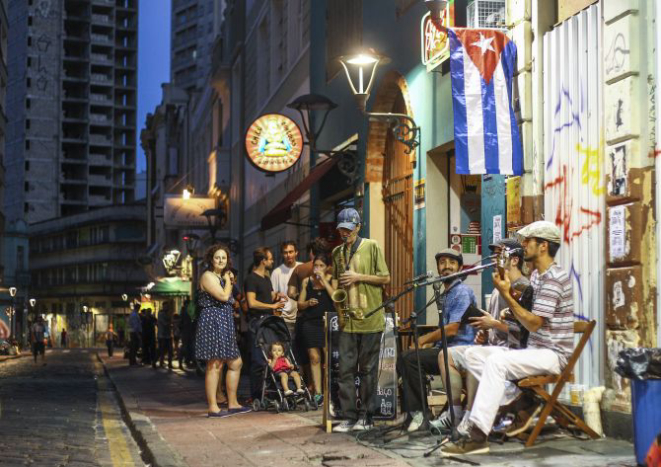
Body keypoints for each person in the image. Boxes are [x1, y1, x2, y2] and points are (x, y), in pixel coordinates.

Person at [443, 221, 574, 455]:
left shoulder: (554, 278)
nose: (523, 246)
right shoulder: (536, 278)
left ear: (543, 246)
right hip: (533, 350)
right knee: (474, 355)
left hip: (553, 354)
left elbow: (534, 324)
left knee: (496, 362)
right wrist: (507, 313)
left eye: (528, 241)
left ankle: (477, 435)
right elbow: (525, 320)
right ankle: (512, 405)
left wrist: (505, 294)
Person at [430, 239, 530, 433]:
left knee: (475, 360)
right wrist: (486, 331)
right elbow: (498, 325)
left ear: (515, 260)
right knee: (446, 354)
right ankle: (454, 413)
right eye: (494, 254)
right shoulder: (497, 289)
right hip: (492, 347)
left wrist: (493, 324)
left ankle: (473, 420)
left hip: (513, 352)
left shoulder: (523, 287)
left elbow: (526, 330)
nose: (494, 259)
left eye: (500, 254)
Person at [397, 248, 477, 432]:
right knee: (406, 357)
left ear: (460, 267)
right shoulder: (447, 293)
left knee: (410, 359)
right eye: (442, 263)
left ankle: (419, 414)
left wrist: (424, 339)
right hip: (445, 351)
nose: (446, 267)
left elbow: (452, 329)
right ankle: (414, 414)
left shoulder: (461, 291)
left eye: (451, 263)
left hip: (460, 351)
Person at [331, 208, 390, 433]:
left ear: (357, 227)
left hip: (370, 318)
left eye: (348, 228)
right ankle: (348, 416)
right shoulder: (337, 253)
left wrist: (358, 277)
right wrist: (339, 310)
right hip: (348, 320)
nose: (344, 233)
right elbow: (337, 283)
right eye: (341, 229)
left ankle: (367, 416)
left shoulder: (372, 246)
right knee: (345, 370)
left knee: (368, 370)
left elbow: (386, 278)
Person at [195, 243, 249, 417]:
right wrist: (228, 281)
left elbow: (232, 300)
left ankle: (232, 403)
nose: (220, 260)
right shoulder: (208, 276)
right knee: (215, 365)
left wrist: (228, 281)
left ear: (228, 260)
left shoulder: (223, 277)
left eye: (223, 258)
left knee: (235, 362)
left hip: (225, 322)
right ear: (211, 259)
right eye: (217, 257)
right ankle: (213, 407)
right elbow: (224, 296)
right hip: (212, 321)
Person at [244, 247, 286, 401]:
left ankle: (270, 392)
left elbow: (267, 296)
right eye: (270, 258)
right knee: (258, 361)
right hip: (257, 323)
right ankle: (255, 396)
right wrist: (272, 307)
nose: (272, 261)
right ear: (263, 260)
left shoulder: (266, 278)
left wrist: (277, 296)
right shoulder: (251, 278)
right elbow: (252, 302)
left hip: (268, 322)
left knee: (272, 356)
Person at [297, 252, 337, 404]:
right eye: (316, 266)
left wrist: (324, 282)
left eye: (321, 266)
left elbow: (335, 298)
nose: (318, 268)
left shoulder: (332, 280)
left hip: (327, 323)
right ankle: (318, 394)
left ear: (328, 268)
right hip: (310, 323)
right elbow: (299, 304)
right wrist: (307, 303)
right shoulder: (307, 281)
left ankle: (329, 391)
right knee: (314, 358)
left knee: (328, 359)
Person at [271, 241, 301, 340]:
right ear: (282, 254)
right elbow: (272, 296)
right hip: (285, 318)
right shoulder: (276, 272)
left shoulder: (302, 268)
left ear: (296, 252)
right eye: (285, 252)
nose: (288, 255)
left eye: (291, 252)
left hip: (301, 315)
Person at [158, 301, 174, 369]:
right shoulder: (161, 314)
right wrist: (171, 323)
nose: (167, 307)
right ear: (163, 306)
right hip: (162, 335)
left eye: (168, 306)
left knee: (170, 350)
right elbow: (164, 324)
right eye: (166, 306)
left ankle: (169, 364)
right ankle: (159, 362)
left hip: (168, 335)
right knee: (162, 350)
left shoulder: (168, 313)